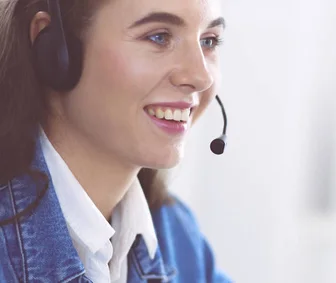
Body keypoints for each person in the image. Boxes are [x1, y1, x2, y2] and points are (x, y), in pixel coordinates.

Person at [0, 0, 231, 282]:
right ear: (51, 49)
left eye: (209, 41)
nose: (200, 77)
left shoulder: (179, 238)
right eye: (158, 37)